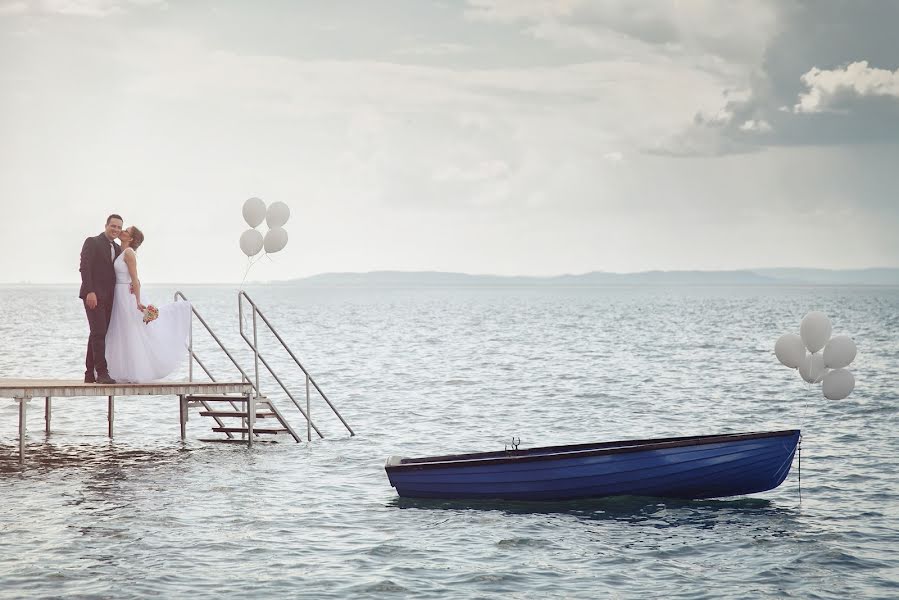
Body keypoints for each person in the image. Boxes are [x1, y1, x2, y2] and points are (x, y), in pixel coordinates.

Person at [105, 226, 192, 383]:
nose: (122, 231)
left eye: (126, 231)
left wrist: (138, 301)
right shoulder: (121, 251)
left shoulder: (129, 253)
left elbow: (134, 278)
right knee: (122, 331)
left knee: (132, 330)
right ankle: (121, 369)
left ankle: (136, 370)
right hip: (119, 293)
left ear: (130, 239)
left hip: (127, 295)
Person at [79, 214, 123, 384]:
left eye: (119, 227)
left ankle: (89, 374)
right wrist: (90, 291)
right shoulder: (92, 242)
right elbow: (84, 267)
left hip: (110, 297)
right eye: (113, 226)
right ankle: (102, 373)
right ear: (106, 225)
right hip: (93, 296)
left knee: (97, 333)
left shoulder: (118, 248)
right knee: (98, 333)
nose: (116, 230)